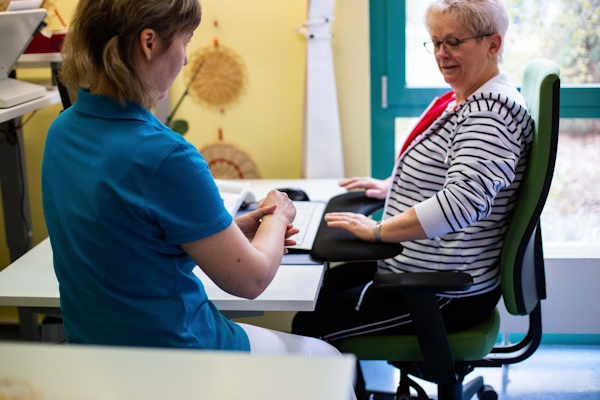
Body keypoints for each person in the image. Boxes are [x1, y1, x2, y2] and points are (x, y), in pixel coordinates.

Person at [42, 0, 347, 366]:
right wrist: (278, 216)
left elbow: (126, 236)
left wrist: (224, 231)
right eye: (185, 42)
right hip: (175, 359)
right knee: (329, 360)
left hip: (96, 353)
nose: (186, 59)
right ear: (149, 43)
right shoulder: (165, 155)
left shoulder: (62, 131)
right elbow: (250, 281)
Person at [292, 0, 534, 342]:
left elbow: (461, 204)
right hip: (418, 268)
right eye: (435, 42)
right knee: (316, 293)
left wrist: (378, 231)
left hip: (441, 291)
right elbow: (455, 169)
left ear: (492, 44)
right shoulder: (472, 98)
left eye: (454, 42)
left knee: (310, 327)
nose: (441, 54)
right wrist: (395, 185)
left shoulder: (489, 115)